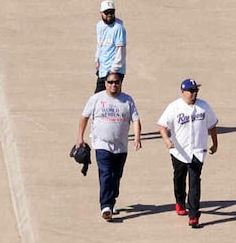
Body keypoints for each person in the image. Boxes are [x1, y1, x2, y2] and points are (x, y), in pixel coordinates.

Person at [77, 69, 142, 220]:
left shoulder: (127, 100)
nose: (113, 85)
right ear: (105, 84)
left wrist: (137, 138)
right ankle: (105, 206)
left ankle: (111, 201)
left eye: (116, 82)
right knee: (105, 173)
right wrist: (80, 138)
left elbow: (136, 120)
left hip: (121, 146)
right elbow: (84, 117)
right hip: (101, 143)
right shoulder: (96, 99)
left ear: (120, 84)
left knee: (116, 176)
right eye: (110, 82)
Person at [156, 76, 219, 226]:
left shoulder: (204, 107)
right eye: (190, 91)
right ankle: (179, 201)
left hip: (197, 151)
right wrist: (167, 141)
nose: (193, 94)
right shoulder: (174, 107)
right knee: (179, 179)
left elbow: (212, 126)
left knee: (194, 182)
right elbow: (162, 126)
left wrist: (215, 143)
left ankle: (194, 215)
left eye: (195, 90)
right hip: (178, 152)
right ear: (182, 92)